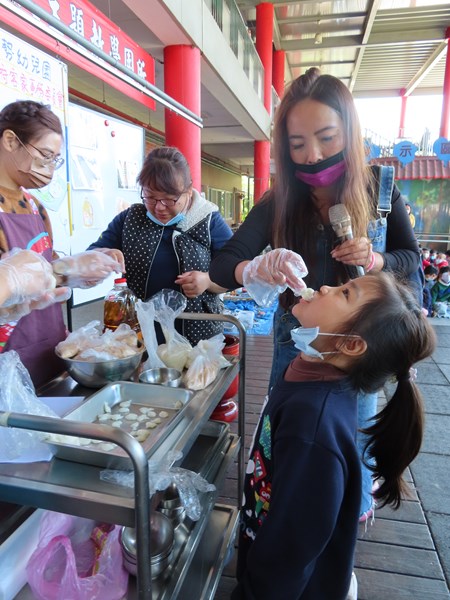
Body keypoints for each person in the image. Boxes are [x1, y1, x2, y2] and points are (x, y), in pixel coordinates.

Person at [209, 67, 421, 518]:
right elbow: (223, 265)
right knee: (288, 432)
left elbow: (412, 263)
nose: (312, 156)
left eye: (326, 137)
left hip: (359, 342)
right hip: (296, 340)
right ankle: (278, 509)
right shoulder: (279, 200)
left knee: (354, 433)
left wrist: (377, 260)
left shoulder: (382, 192)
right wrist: (256, 267)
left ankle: (347, 520)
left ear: (350, 130)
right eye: (298, 143)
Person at [232, 271, 436, 600]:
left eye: (344, 293)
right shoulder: (310, 368)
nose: (325, 287)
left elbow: (292, 548)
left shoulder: (312, 426)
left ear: (351, 345)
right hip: (264, 533)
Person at [0, 100, 122, 387]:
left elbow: (44, 267)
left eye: (55, 160)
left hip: (47, 344)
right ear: (9, 141)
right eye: (44, 155)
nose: (48, 169)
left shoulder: (35, 207)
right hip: (8, 356)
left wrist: (75, 271)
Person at [88, 146, 232, 345]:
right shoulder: (129, 219)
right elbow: (91, 255)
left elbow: (234, 274)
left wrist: (208, 281)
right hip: (139, 332)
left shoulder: (209, 221)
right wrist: (104, 253)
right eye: (150, 197)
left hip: (197, 335)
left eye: (169, 199)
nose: (159, 207)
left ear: (188, 191)